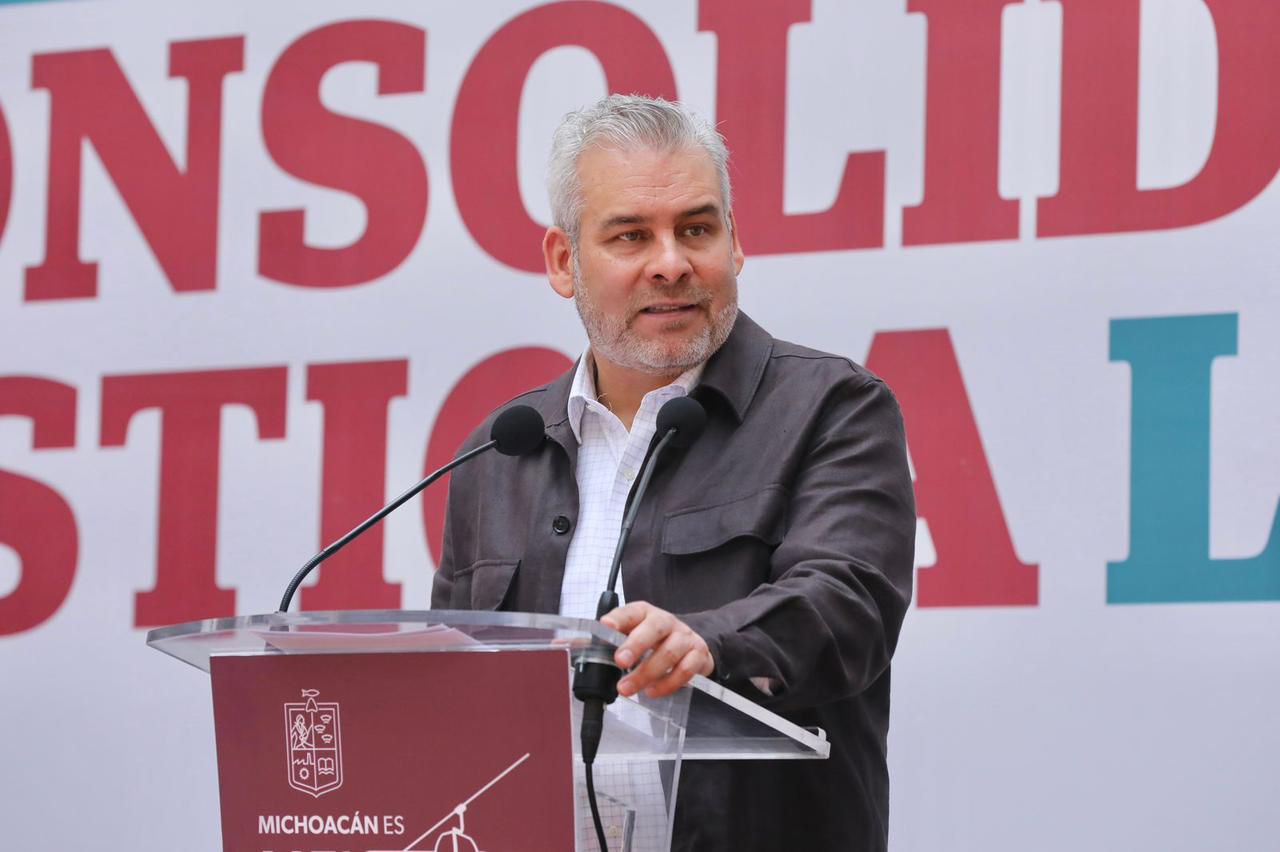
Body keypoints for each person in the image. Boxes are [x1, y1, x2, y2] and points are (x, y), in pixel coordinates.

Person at [432, 94, 915, 852]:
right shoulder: (501, 453)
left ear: (735, 243)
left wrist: (709, 641)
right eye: (630, 236)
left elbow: (847, 606)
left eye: (696, 229)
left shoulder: (832, 407)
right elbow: (456, 691)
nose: (671, 262)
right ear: (563, 262)